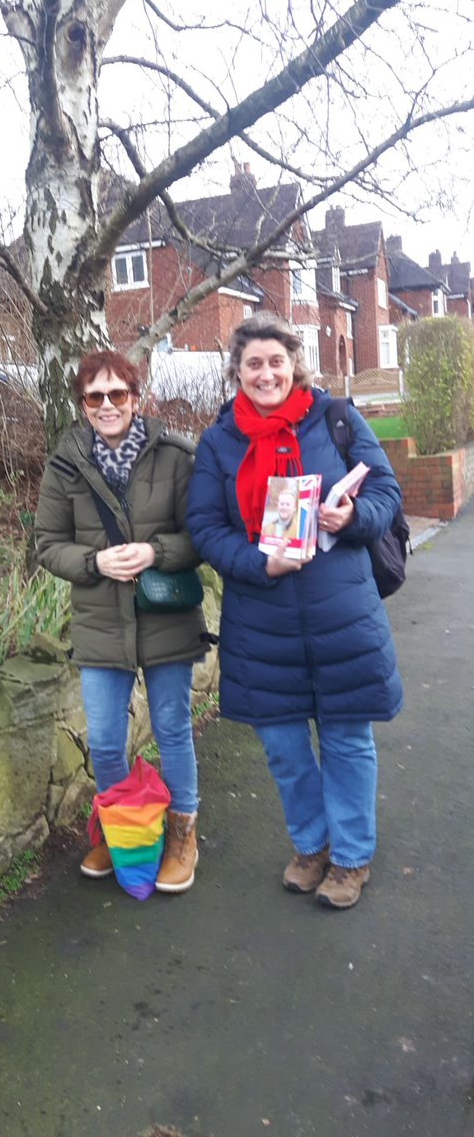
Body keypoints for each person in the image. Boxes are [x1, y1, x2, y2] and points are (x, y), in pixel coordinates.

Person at [185, 313, 403, 909]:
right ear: (236, 372)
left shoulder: (335, 418)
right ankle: (312, 846)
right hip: (263, 619)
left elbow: (386, 491)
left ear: (293, 365)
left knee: (346, 738)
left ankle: (351, 858)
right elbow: (204, 526)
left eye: (276, 361)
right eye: (253, 363)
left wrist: (352, 517)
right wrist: (260, 563)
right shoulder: (219, 441)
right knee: (283, 746)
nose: (266, 373)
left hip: (342, 611)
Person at [35, 350, 208, 893]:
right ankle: (123, 832)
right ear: (82, 405)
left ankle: (182, 834)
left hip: (165, 617)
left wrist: (156, 552)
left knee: (172, 730)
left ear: (136, 397)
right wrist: (94, 562)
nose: (107, 405)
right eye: (95, 396)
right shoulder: (64, 465)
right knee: (107, 742)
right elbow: (47, 544)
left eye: (117, 394)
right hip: (100, 621)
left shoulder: (175, 457)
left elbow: (202, 536)